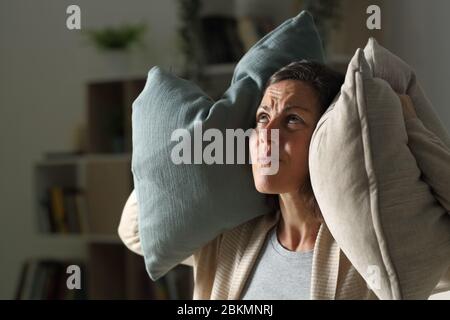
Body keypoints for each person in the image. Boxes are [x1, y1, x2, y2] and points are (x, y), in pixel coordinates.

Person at [118, 60, 450, 299]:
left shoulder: (369, 245)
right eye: (262, 117)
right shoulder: (229, 235)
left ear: (324, 137)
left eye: (292, 120)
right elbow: (135, 232)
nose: (267, 134)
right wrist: (213, 132)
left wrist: (411, 126)